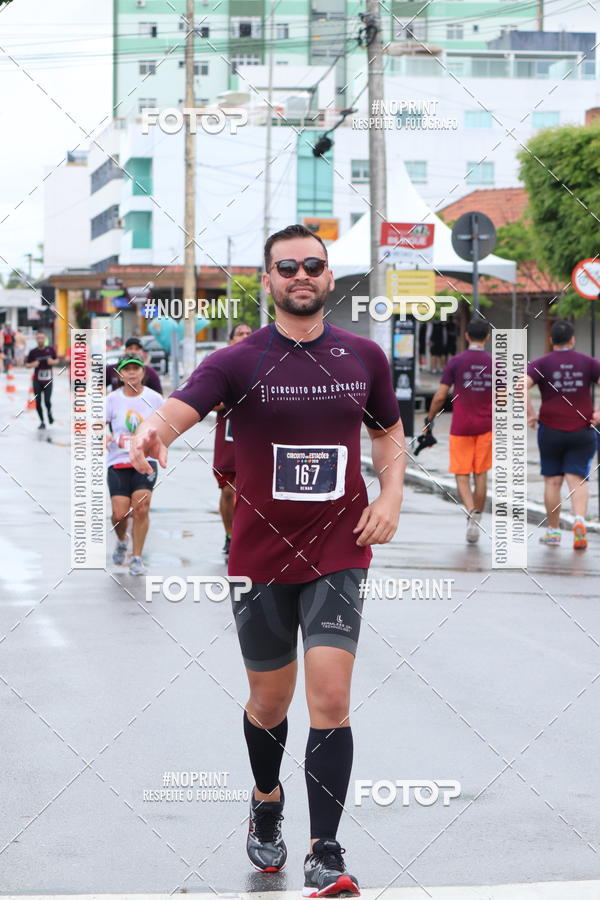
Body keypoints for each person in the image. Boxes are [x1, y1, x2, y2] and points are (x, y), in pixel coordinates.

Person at [130, 224, 406, 896]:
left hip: (340, 547)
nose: (301, 275)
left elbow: (388, 431)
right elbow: (180, 408)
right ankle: (265, 797)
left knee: (331, 697)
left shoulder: (364, 357)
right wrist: (152, 430)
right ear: (268, 280)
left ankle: (325, 850)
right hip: (259, 557)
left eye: (313, 265)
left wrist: (392, 495)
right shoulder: (239, 360)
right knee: (269, 700)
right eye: (288, 267)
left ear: (329, 276)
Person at [527, 319, 600, 550]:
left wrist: (530, 413)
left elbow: (519, 386)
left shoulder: (541, 363)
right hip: (582, 429)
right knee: (577, 479)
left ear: (551, 341)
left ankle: (554, 531)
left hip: (550, 430)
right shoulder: (589, 362)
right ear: (572, 340)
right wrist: (599, 412)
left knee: (552, 481)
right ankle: (579, 522)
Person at [426, 318, 492, 543]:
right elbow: (503, 398)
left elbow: (440, 396)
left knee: (462, 474)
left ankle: (471, 512)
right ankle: (477, 518)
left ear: (466, 336)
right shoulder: (495, 363)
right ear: (487, 337)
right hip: (486, 427)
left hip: (461, 427)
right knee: (481, 473)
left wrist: (430, 417)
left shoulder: (456, 362)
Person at [106, 354, 164, 575]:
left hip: (146, 461)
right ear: (120, 375)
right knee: (119, 514)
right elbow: (98, 424)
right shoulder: (112, 399)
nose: (131, 372)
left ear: (143, 373)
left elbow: (167, 424)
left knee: (141, 507)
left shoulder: (155, 398)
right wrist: (103, 436)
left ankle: (137, 557)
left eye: (136, 368)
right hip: (118, 461)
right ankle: (122, 540)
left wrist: (158, 441)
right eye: (127, 369)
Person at [213, 322, 252, 559]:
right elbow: (211, 401)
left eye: (249, 333)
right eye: (240, 334)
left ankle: (248, 539)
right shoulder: (223, 365)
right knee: (228, 491)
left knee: (253, 493)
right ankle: (230, 535)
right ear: (231, 340)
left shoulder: (265, 364)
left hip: (256, 438)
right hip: (229, 438)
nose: (245, 336)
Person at [25, 332, 58, 429]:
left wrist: (52, 362)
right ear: (36, 339)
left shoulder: (50, 349)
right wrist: (32, 364)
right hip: (37, 380)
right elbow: (26, 365)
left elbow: (57, 360)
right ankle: (42, 421)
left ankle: (49, 414)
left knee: (47, 401)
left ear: (45, 339)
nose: (40, 340)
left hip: (48, 380)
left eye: (42, 338)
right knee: (38, 401)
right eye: (38, 338)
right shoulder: (33, 352)